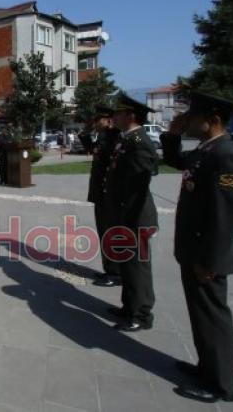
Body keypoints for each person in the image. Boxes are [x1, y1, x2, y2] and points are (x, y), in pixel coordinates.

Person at [160, 92, 233, 404]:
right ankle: (208, 368)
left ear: (213, 120)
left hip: (206, 258)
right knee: (201, 316)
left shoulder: (226, 156)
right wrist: (172, 134)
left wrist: (210, 261)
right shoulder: (205, 151)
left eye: (194, 117)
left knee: (212, 317)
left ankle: (221, 385)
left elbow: (226, 218)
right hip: (194, 251)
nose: (189, 121)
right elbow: (175, 161)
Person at [104, 93, 159, 332]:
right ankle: (129, 307)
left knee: (137, 266)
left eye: (118, 113)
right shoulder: (126, 139)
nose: (113, 117)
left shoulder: (139, 142)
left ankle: (141, 314)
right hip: (124, 212)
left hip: (136, 215)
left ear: (130, 116)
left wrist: (130, 216)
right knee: (127, 264)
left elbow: (141, 181)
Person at [78, 105, 122, 287]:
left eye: (98, 120)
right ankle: (110, 270)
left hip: (109, 194)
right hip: (101, 193)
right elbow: (91, 148)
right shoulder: (103, 136)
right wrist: (86, 131)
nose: (95, 123)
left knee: (110, 233)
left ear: (108, 120)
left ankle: (116, 273)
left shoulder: (114, 137)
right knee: (104, 232)